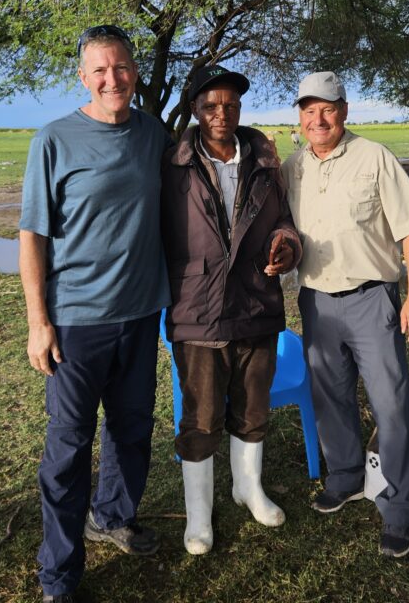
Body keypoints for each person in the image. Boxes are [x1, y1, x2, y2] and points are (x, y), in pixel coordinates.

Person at [20, 24, 173, 603]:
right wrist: (39, 322)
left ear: (135, 71)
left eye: (122, 67)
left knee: (132, 429)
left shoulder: (152, 134)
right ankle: (59, 574)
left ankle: (111, 516)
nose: (113, 78)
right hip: (76, 321)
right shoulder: (54, 140)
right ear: (82, 77)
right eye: (100, 70)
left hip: (140, 316)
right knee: (69, 446)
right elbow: (33, 235)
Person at [281, 71, 409, 559]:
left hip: (372, 298)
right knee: (330, 397)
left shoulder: (374, 157)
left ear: (344, 111)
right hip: (317, 301)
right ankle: (345, 477)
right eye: (309, 110)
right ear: (300, 117)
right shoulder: (292, 167)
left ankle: (398, 508)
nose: (318, 118)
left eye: (327, 108)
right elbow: (282, 230)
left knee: (391, 404)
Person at [161, 64, 301, 555]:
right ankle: (198, 517)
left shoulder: (263, 159)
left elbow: (283, 219)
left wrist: (286, 243)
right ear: (195, 110)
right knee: (200, 418)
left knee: (253, 407)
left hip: (257, 302)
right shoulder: (172, 163)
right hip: (196, 308)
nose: (222, 113)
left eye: (231, 105)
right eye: (211, 105)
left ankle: (248, 488)